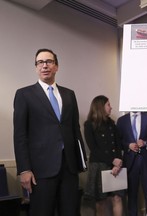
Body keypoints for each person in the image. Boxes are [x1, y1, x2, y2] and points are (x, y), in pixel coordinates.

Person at [13, 48, 86, 216]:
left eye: (49, 62)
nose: (44, 65)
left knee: (70, 212)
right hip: (41, 170)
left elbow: (75, 129)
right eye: (40, 62)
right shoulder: (24, 94)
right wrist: (24, 169)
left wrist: (81, 160)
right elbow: (20, 135)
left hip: (69, 168)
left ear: (56, 67)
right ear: (36, 67)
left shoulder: (69, 94)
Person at [84, 95, 124, 216]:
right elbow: (93, 149)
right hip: (98, 166)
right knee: (101, 201)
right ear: (101, 107)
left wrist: (118, 162)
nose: (111, 107)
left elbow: (118, 145)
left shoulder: (112, 124)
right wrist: (113, 160)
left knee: (117, 198)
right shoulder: (89, 125)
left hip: (115, 166)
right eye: (108, 105)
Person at [116, 112, 147, 216]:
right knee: (131, 195)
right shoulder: (121, 120)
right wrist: (128, 145)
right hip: (130, 162)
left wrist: (146, 143)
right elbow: (118, 141)